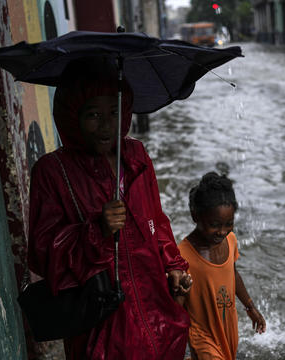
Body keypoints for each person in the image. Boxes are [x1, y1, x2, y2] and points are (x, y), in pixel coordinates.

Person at [27, 59, 192, 360]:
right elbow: (42, 254)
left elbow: (156, 220)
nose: (106, 125)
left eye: (114, 112)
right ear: (71, 115)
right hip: (102, 322)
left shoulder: (136, 156)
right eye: (93, 115)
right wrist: (96, 231)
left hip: (155, 308)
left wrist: (174, 265)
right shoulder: (52, 172)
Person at [176, 172, 266, 360]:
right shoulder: (182, 255)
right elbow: (175, 307)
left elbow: (232, 274)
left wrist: (250, 307)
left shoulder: (230, 240)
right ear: (195, 215)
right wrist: (180, 292)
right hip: (202, 335)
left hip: (227, 328)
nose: (222, 231)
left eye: (229, 224)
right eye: (215, 224)